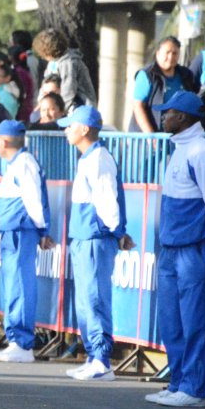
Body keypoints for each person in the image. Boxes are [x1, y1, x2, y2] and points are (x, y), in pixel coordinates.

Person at [148, 91, 205, 407]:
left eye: (167, 112)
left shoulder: (201, 153)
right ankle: (178, 382)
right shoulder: (181, 149)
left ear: (182, 117)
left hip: (193, 247)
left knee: (195, 318)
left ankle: (195, 388)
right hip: (171, 247)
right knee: (172, 318)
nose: (162, 116)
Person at [57, 106, 135, 381]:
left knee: (95, 298)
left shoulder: (99, 158)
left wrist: (117, 232)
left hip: (95, 238)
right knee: (85, 301)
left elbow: (107, 200)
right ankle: (93, 356)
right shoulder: (88, 158)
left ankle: (102, 360)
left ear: (85, 129)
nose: (66, 130)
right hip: (84, 237)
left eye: (70, 125)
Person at [0, 119, 53, 363]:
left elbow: (34, 201)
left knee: (20, 285)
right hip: (14, 232)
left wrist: (42, 229)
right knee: (13, 284)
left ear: (3, 141)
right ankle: (16, 338)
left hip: (20, 232)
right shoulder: (17, 163)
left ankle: (23, 342)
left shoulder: (24, 163)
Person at [129, 36, 198, 133]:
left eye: (175, 53)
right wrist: (151, 137)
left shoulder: (186, 75)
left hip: (176, 138)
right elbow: (138, 106)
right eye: (167, 52)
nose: (170, 57)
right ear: (158, 54)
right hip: (148, 140)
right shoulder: (147, 75)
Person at [32, 28, 96, 112]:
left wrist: (59, 111)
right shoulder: (53, 63)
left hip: (78, 106)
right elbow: (45, 85)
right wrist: (41, 103)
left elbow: (68, 91)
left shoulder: (68, 63)